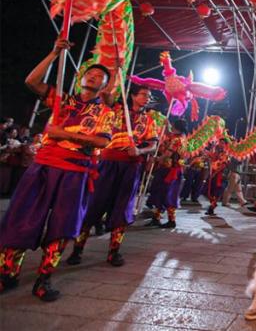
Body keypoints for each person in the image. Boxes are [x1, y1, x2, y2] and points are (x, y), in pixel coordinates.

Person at [0, 38, 114, 301]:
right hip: (42, 166)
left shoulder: (106, 113)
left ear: (105, 87)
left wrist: (64, 134)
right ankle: (8, 272)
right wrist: (54, 53)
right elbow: (31, 81)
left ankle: (44, 279)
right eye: (91, 73)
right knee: (21, 217)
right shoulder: (61, 100)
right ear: (81, 78)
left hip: (75, 172)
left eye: (100, 77)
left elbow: (102, 141)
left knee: (62, 225)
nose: (94, 77)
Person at [66, 84, 159, 267]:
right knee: (94, 205)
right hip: (108, 164)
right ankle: (77, 249)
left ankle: (114, 252)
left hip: (131, 167)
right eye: (143, 95)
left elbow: (153, 144)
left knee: (122, 208)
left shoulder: (149, 121)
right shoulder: (114, 109)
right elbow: (106, 95)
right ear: (132, 96)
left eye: (149, 96)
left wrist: (140, 151)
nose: (147, 98)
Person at [146, 119, 187, 229]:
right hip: (169, 169)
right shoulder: (181, 138)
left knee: (168, 195)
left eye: (172, 125)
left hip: (170, 171)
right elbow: (169, 135)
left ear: (176, 126)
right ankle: (156, 218)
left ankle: (171, 220)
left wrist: (157, 159)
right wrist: (167, 126)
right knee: (160, 193)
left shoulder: (177, 140)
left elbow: (168, 153)